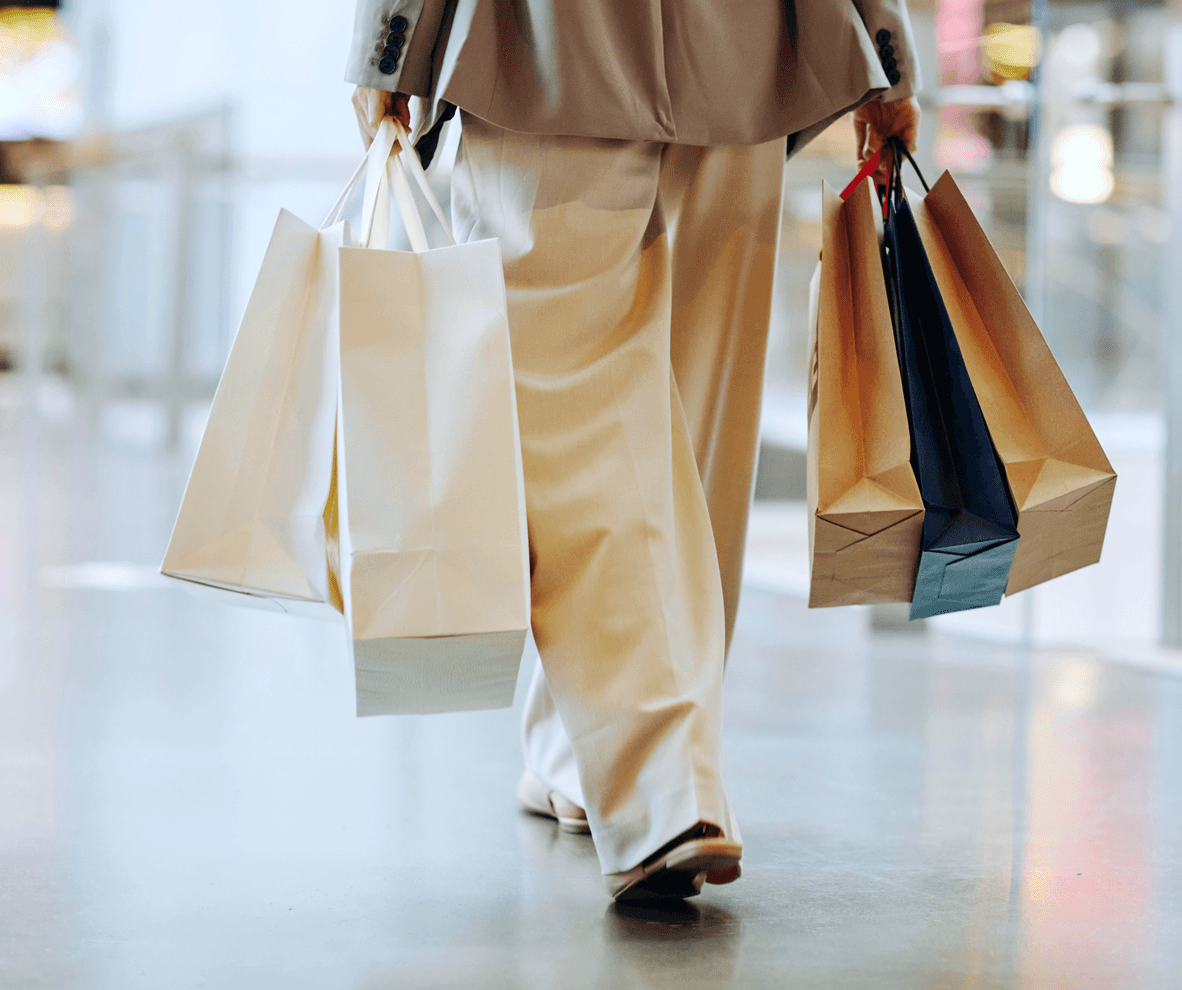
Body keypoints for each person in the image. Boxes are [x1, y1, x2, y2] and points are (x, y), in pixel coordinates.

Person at [345, 0, 921, 902]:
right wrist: (880, 49)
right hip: (745, 50)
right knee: (691, 430)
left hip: (550, 49)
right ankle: (630, 765)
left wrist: (390, 43)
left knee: (598, 420)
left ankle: (643, 775)